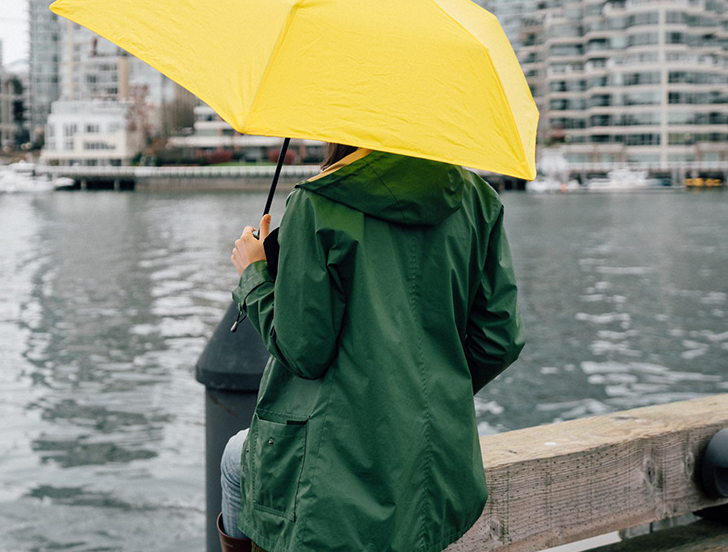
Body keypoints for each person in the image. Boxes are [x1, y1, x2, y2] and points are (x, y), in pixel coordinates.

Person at [219, 145, 525, 552]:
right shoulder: (479, 201)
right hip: (435, 468)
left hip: (332, 476)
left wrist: (254, 275)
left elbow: (303, 350)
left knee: (235, 461)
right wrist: (423, 399)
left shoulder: (319, 201)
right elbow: (499, 340)